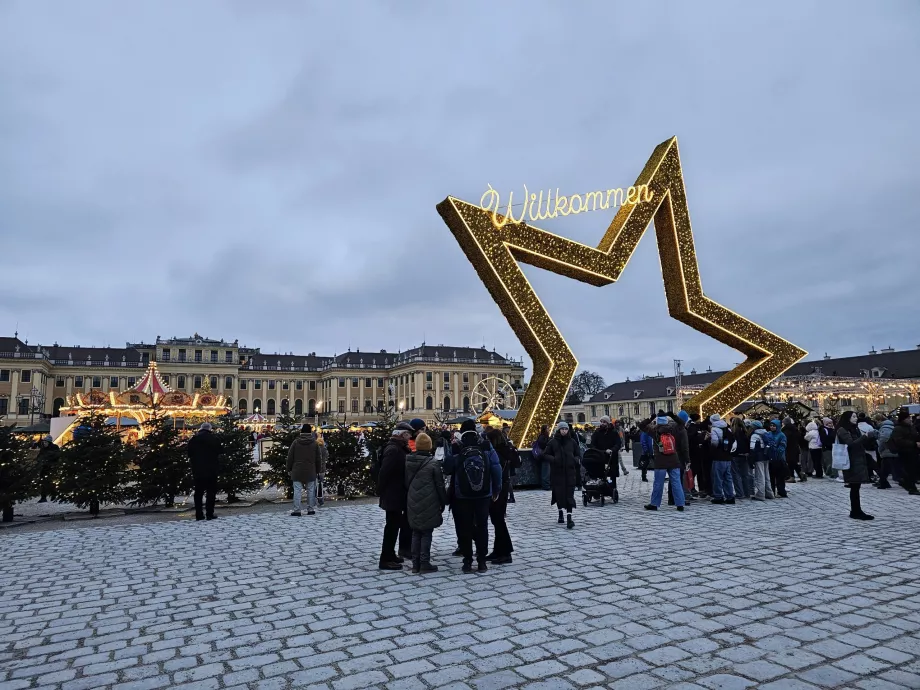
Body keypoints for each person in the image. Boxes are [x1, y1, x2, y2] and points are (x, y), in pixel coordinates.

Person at [443, 420, 501, 573]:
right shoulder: (486, 445)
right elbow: (496, 468)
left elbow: (447, 468)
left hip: (462, 495)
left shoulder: (457, 446)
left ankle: (467, 561)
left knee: (465, 527)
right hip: (483, 494)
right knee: (482, 526)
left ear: (462, 432)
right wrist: (496, 489)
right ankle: (482, 561)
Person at [405, 432, 447, 574]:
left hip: (412, 499)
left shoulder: (408, 460)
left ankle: (415, 563)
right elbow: (439, 485)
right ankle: (424, 562)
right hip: (430, 500)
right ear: (429, 446)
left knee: (416, 532)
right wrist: (443, 501)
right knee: (427, 532)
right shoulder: (433, 463)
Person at [377, 423, 414, 570]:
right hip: (392, 493)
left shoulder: (398, 448)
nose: (410, 437)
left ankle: (391, 554)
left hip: (396, 493)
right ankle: (385, 559)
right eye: (408, 434)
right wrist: (381, 490)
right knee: (391, 527)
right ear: (401, 434)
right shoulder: (393, 449)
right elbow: (384, 472)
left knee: (394, 525)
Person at [485, 428, 520, 564]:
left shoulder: (497, 452)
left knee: (498, 520)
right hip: (504, 485)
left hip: (498, 487)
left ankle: (505, 552)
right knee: (497, 520)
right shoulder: (508, 449)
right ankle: (498, 550)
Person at [836, 411, 878, 520]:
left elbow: (859, 442)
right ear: (847, 418)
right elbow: (851, 444)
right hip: (851, 461)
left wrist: (870, 437)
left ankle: (856, 510)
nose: (856, 418)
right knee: (854, 487)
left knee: (856, 487)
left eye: (856, 416)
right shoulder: (842, 430)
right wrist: (865, 436)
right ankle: (855, 511)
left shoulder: (854, 429)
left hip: (858, 459)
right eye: (853, 416)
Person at [543, 421, 582, 529]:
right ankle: (560, 512)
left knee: (570, 495)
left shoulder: (572, 442)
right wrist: (554, 459)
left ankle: (569, 518)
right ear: (559, 430)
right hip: (557, 473)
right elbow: (545, 454)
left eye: (566, 429)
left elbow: (578, 454)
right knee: (559, 494)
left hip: (570, 472)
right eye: (562, 429)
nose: (564, 431)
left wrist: (575, 460)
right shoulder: (553, 442)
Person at [645, 413, 686, 511]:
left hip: (660, 461)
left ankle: (654, 504)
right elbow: (682, 423)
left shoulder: (654, 430)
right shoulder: (672, 429)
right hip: (673, 460)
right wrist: (673, 416)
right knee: (676, 482)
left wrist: (651, 418)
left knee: (658, 483)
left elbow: (641, 425)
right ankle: (680, 504)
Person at [286, 424, 325, 517]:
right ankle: (310, 509)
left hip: (297, 470)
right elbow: (318, 459)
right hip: (311, 470)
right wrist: (318, 470)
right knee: (311, 490)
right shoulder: (315, 443)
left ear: (301, 432)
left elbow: (290, 457)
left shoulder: (296, 442)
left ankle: (297, 510)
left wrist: (289, 468)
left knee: (297, 490)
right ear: (310, 432)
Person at [187, 422, 222, 521]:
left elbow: (189, 453)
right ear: (210, 429)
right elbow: (220, 451)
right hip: (211, 469)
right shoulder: (214, 438)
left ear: (201, 429)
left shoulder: (193, 439)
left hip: (198, 470)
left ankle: (199, 514)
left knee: (198, 493)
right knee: (211, 493)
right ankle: (209, 514)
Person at [890, 409, 920, 494]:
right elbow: (899, 441)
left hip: (913, 451)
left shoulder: (911, 427)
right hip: (905, 452)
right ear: (903, 419)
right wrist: (914, 444)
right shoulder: (898, 428)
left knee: (914, 470)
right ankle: (911, 488)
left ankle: (909, 485)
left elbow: (915, 436)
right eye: (908, 418)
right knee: (909, 470)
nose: (910, 419)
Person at [708, 414, 735, 504]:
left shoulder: (714, 429)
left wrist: (712, 450)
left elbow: (714, 442)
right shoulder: (727, 428)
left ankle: (718, 496)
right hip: (728, 456)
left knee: (717, 477)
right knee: (728, 477)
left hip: (718, 456)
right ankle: (730, 496)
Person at [590, 416, 623, 481]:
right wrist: (598, 451)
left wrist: (612, 450)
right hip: (600, 456)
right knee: (600, 475)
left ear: (608, 423)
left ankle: (613, 489)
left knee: (612, 476)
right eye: (601, 422)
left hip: (612, 457)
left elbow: (618, 443)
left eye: (604, 422)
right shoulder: (597, 432)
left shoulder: (613, 432)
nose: (602, 423)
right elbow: (592, 444)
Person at [750, 421, 772, 500]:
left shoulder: (755, 435)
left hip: (759, 458)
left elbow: (752, 448)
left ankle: (760, 494)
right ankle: (769, 493)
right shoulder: (766, 433)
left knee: (760, 476)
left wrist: (751, 459)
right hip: (766, 456)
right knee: (767, 475)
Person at [765, 419, 788, 498]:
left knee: (780, 477)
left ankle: (781, 492)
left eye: (774, 426)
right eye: (771, 425)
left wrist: (776, 449)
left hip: (779, 459)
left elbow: (782, 447)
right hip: (770, 459)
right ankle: (771, 492)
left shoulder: (781, 435)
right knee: (771, 477)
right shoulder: (768, 434)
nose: (772, 427)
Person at [730, 417, 751, 499]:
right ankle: (747, 493)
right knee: (745, 475)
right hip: (744, 455)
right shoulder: (745, 432)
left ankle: (739, 493)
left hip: (735, 455)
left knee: (735, 475)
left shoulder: (733, 433)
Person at [36, 435, 60, 503]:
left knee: (51, 482)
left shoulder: (54, 447)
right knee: (43, 483)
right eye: (44, 442)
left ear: (49, 442)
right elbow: (39, 457)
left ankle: (54, 494)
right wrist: (39, 461)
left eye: (46, 442)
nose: (44, 443)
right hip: (44, 468)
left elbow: (57, 456)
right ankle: (43, 497)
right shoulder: (43, 449)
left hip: (51, 468)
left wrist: (48, 460)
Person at [876, 416, 897, 490]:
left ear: (880, 420)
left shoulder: (885, 428)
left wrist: (880, 449)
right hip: (892, 450)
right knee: (887, 469)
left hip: (887, 451)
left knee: (884, 469)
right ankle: (883, 483)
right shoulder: (890, 426)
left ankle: (883, 483)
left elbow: (884, 440)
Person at [782, 418, 805, 482]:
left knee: (790, 462)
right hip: (795, 448)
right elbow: (799, 438)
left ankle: (791, 477)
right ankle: (801, 474)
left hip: (789, 448)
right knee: (793, 462)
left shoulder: (786, 430)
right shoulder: (795, 429)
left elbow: (785, 440)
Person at [531, 425, 551, 491]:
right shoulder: (543, 437)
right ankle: (546, 486)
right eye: (548, 428)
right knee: (546, 471)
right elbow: (543, 445)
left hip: (545, 456)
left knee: (546, 471)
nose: (549, 429)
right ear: (544, 429)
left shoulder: (543, 436)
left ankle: (546, 485)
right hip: (544, 456)